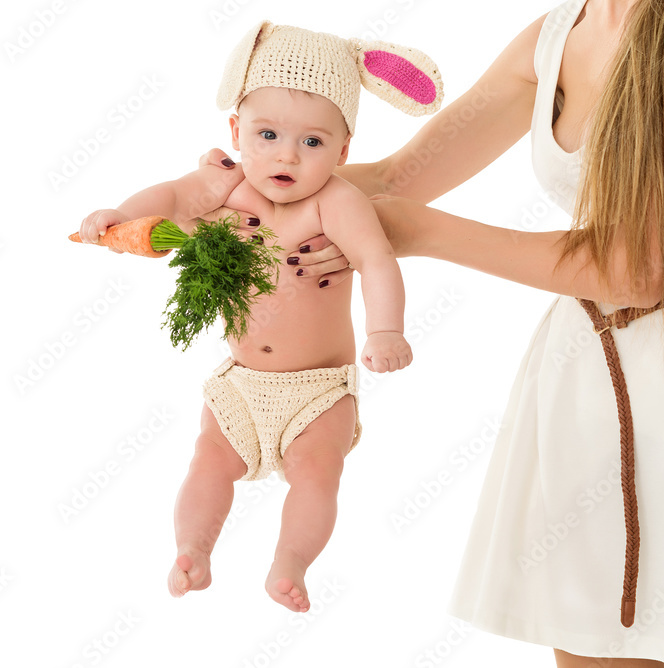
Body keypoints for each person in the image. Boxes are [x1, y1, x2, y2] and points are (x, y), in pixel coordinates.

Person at [204, 0, 663, 664]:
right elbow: (399, 177)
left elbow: (639, 267)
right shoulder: (560, 34)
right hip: (590, 378)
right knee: (593, 645)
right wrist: (207, 199)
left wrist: (425, 233)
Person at [75, 21, 445, 612]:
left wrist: (386, 331)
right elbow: (168, 199)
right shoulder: (224, 187)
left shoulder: (337, 202)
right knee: (208, 459)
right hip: (241, 385)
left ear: (344, 151)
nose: (285, 156)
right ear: (235, 131)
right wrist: (120, 214)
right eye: (267, 134)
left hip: (317, 391)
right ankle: (192, 550)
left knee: (318, 472)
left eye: (313, 143)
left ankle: (290, 564)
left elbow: (377, 263)